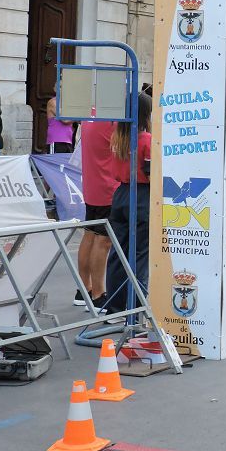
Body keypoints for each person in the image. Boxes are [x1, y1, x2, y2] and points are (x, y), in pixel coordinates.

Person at [101, 93, 151, 314]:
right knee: (139, 253)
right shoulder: (146, 140)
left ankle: (114, 306)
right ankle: (136, 304)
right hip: (141, 196)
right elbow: (151, 174)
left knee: (118, 254)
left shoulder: (118, 137)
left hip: (120, 195)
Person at [76, 119, 118, 310]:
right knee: (103, 241)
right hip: (107, 186)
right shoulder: (112, 121)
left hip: (92, 185)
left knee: (90, 235)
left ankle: (84, 290)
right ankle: (98, 294)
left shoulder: (89, 118)